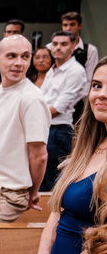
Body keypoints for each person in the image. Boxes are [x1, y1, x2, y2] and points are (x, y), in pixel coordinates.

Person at [22, 59, 107, 254]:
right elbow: (57, 212)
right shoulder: (88, 145)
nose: (101, 94)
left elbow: (105, 241)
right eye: (97, 85)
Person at [0, 35, 49, 223]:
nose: (19, 63)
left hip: (11, 193)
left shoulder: (31, 98)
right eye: (12, 56)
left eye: (25, 56)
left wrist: (33, 191)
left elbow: (39, 155)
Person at [40, 31, 87, 191]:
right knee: (41, 180)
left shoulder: (75, 70)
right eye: (55, 44)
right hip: (44, 127)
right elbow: (41, 99)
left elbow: (59, 107)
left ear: (73, 47)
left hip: (58, 131)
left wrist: (33, 116)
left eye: (63, 44)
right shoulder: (52, 70)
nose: (58, 47)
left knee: (53, 183)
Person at [61, 10, 99, 88]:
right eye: (65, 25)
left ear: (80, 26)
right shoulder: (51, 47)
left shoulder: (90, 50)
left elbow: (90, 79)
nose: (68, 28)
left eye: (72, 24)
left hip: (79, 93)